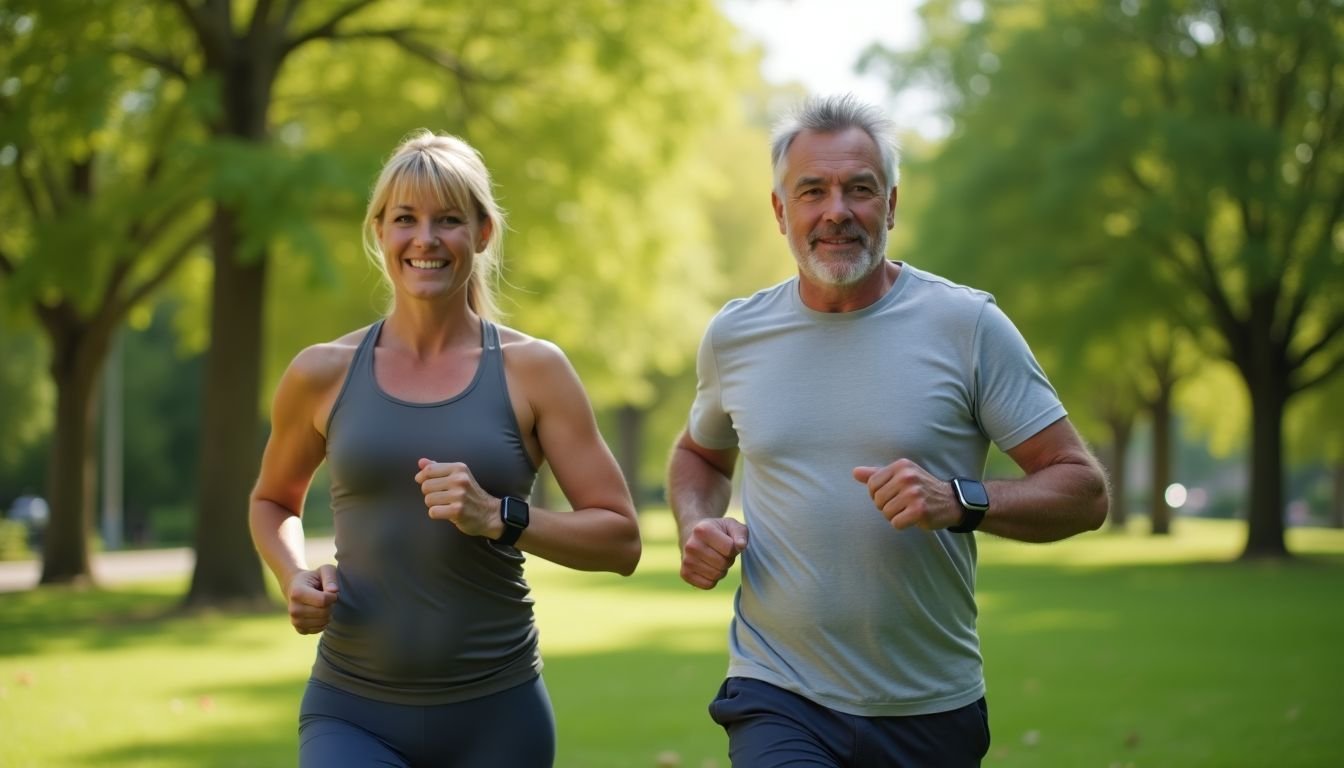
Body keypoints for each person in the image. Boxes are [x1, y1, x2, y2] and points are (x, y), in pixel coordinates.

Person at [666, 94, 1109, 768]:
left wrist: (961, 501)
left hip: (928, 707)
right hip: (777, 689)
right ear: (781, 211)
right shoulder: (735, 335)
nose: (836, 210)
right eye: (812, 191)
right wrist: (697, 521)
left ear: (892, 205)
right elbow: (699, 452)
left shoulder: (968, 327)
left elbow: (1084, 491)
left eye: (860, 190)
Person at [249, 129, 640, 768]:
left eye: (449, 220)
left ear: (483, 233)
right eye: (406, 219)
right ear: (380, 231)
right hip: (352, 710)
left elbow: (621, 541)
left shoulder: (534, 370)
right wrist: (293, 575)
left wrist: (499, 517)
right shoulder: (321, 372)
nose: (425, 239)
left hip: (499, 717)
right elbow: (271, 500)